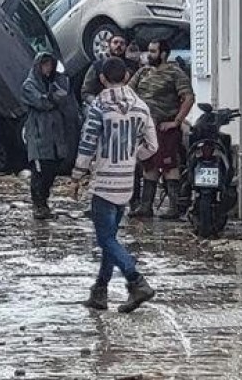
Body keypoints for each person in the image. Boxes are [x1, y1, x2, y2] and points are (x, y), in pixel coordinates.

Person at [71, 57, 157, 313]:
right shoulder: (141, 107)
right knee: (110, 238)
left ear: (102, 79)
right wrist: (133, 155)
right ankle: (100, 291)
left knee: (105, 239)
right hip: (126, 182)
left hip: (103, 181)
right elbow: (152, 146)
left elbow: (87, 142)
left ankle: (135, 280)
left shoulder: (99, 105)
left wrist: (77, 175)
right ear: (128, 76)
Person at [129, 38, 196, 219]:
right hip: (145, 128)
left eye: (153, 51)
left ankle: (174, 207)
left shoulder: (175, 73)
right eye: (148, 51)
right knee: (149, 166)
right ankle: (145, 206)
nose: (149, 54)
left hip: (165, 128)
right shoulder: (143, 72)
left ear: (164, 54)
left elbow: (188, 97)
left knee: (168, 165)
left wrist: (176, 121)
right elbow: (128, 92)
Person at [21, 51, 75, 220]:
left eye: (50, 65)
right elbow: (41, 102)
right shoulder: (29, 85)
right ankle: (38, 203)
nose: (48, 68)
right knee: (39, 170)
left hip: (55, 135)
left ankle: (43, 200)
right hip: (38, 135)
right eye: (45, 65)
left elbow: (65, 98)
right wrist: (52, 98)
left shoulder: (55, 82)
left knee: (52, 169)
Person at [80, 32, 141, 105]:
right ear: (109, 45)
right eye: (115, 42)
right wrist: (98, 104)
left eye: (122, 43)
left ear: (126, 47)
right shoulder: (97, 65)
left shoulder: (132, 66)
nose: (118, 45)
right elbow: (86, 91)